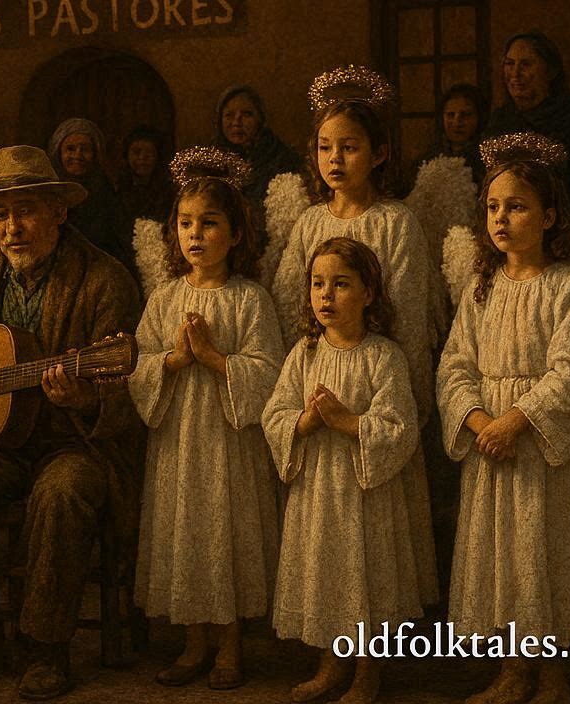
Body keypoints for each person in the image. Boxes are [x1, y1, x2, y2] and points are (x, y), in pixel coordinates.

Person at [0, 146, 141, 700]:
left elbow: (130, 389)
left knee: (62, 493)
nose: (12, 228)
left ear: (59, 212)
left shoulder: (104, 279)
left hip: (74, 443)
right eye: (0, 215)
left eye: (25, 211)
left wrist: (84, 398)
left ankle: (44, 648)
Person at [436, 136, 570, 704]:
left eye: (515, 207)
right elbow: (455, 364)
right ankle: (513, 671)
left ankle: (551, 677)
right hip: (491, 442)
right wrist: (477, 421)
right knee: (505, 558)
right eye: (493, 208)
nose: (501, 218)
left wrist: (516, 420)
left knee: (544, 550)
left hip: (544, 447)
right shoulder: (479, 287)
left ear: (547, 216)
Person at [271, 67, 441, 611]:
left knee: (374, 538)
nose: (336, 160)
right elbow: (291, 309)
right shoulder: (307, 224)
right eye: (325, 147)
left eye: (349, 146)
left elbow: (411, 316)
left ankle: (372, 654)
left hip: (375, 389)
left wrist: (398, 407)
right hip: (321, 387)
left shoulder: (396, 223)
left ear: (379, 152)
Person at [129, 148, 284, 691]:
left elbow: (269, 371)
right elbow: (142, 364)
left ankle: (231, 646)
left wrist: (216, 358)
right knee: (187, 532)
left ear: (236, 234)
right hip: (179, 436)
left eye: (210, 224)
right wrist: (174, 358)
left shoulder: (251, 300)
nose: (196, 235)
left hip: (227, 439)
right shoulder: (165, 297)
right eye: (186, 224)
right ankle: (194, 643)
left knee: (225, 530)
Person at [263, 237, 433, 704]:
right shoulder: (306, 353)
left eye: (340, 284)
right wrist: (305, 421)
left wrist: (348, 422)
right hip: (318, 487)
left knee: (364, 573)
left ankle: (366, 671)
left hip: (364, 491)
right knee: (327, 572)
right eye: (318, 284)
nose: (326, 296)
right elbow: (275, 412)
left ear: (369, 292)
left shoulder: (383, 356)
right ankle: (331, 663)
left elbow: (399, 425)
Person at [482, 31, 570, 207]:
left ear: (550, 70)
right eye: (510, 64)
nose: (515, 73)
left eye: (526, 64)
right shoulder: (499, 121)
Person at [47, 117, 136, 274]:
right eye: (70, 149)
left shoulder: (107, 194)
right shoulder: (47, 192)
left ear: (95, 154)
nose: (77, 155)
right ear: (58, 153)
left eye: (85, 149)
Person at [214, 84, 304, 209]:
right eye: (229, 115)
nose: (236, 123)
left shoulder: (282, 159)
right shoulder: (213, 161)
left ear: (260, 119)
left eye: (246, 114)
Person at [410, 83, 486, 188]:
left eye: (466, 115)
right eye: (450, 115)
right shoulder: (428, 160)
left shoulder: (485, 160)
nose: (457, 122)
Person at [115, 125, 174, 223]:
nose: (142, 157)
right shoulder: (117, 191)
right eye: (136, 152)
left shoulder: (168, 192)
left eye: (149, 153)